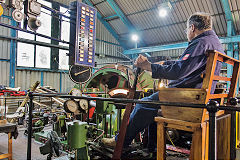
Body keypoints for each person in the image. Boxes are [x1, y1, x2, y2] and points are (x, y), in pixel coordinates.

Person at [102, 12, 224, 149]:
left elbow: (178, 71)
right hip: (200, 97)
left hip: (187, 98)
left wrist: (148, 66)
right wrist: (163, 64)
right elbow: (185, 64)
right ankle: (153, 148)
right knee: (153, 108)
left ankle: (120, 142)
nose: (187, 33)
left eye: (187, 30)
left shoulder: (200, 43)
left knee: (142, 105)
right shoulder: (214, 42)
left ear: (192, 28)